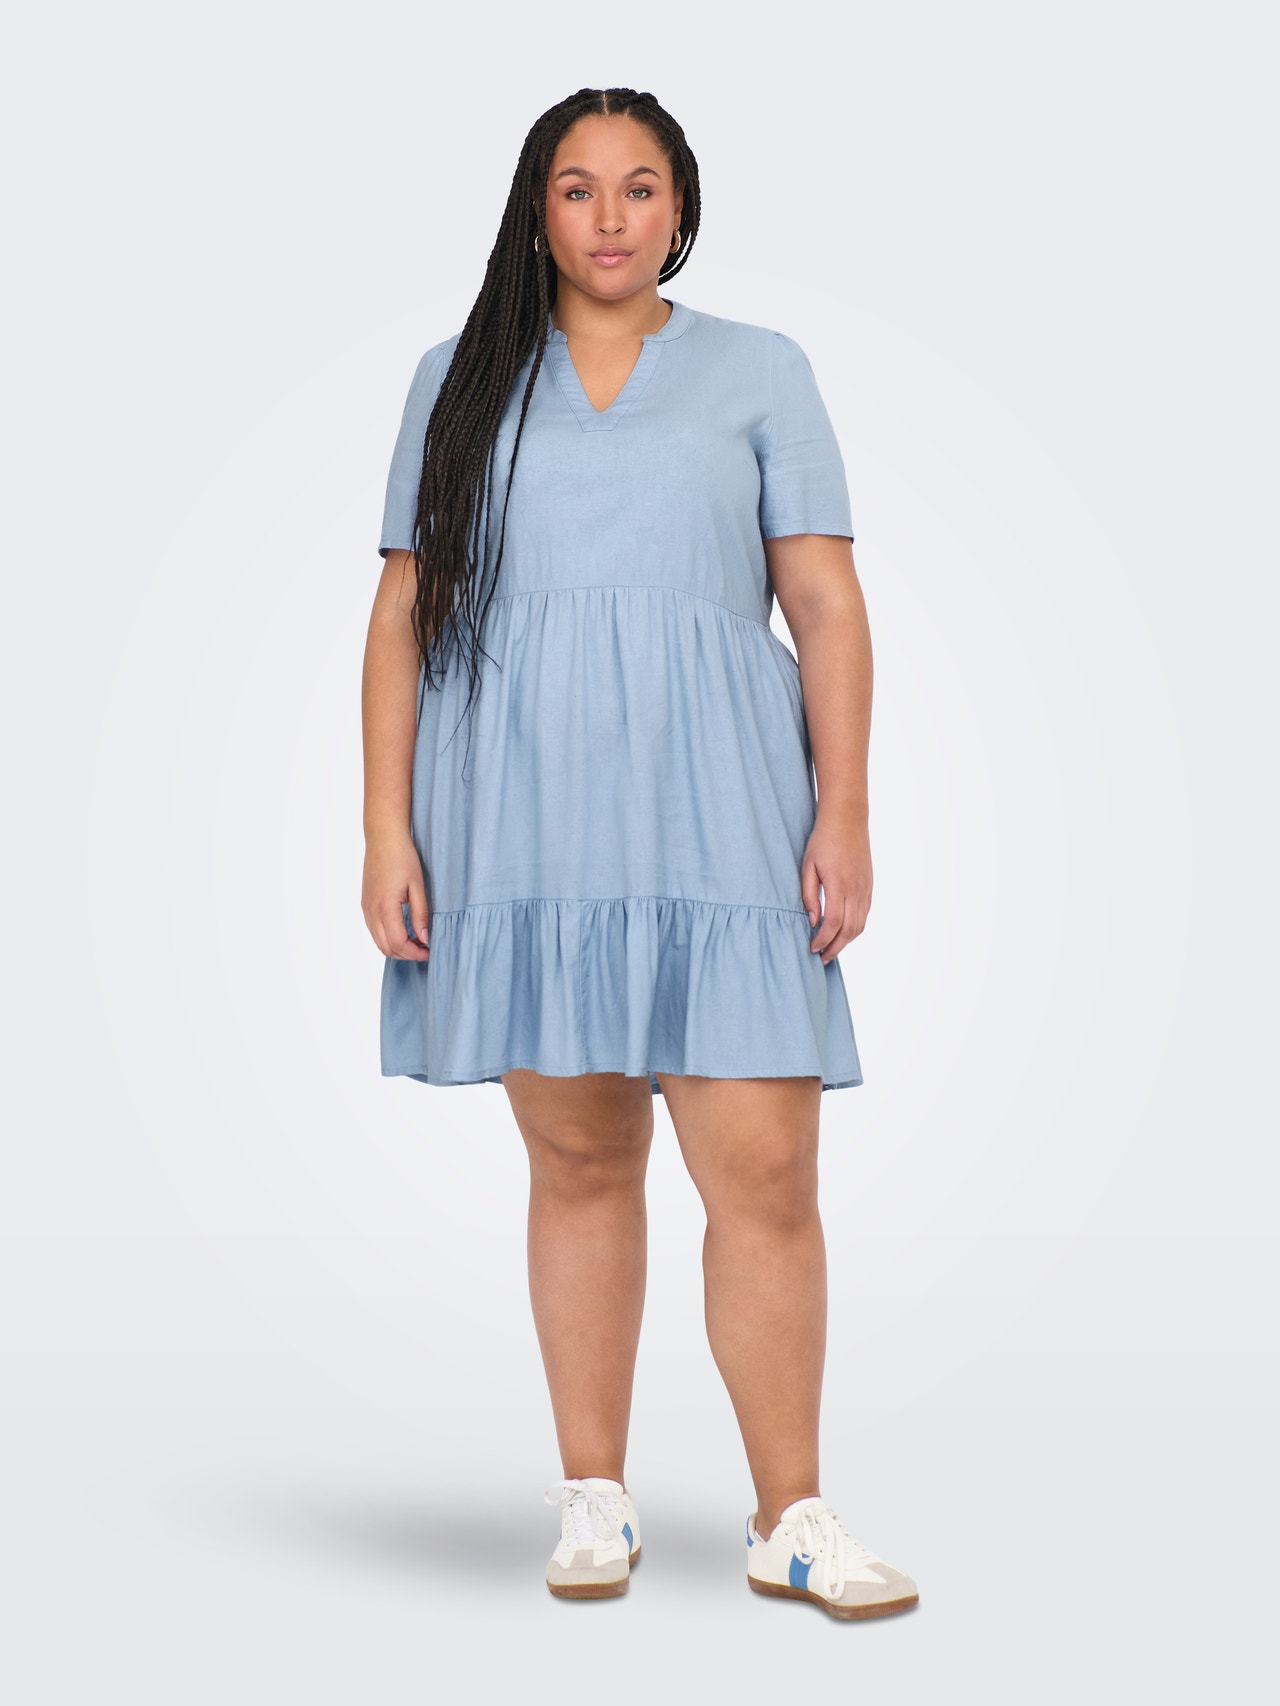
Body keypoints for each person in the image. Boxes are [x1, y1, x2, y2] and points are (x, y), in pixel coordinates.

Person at [360, 86, 918, 1621]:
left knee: (768, 1171)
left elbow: (824, 603)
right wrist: (386, 824)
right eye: (576, 187)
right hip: (524, 820)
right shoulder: (457, 380)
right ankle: (593, 1495)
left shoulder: (761, 368)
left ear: (681, 206)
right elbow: (402, 615)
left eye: (640, 186)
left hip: (723, 810)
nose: (610, 216)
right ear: (535, 209)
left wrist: (847, 806)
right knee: (582, 1159)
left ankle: (791, 1514)